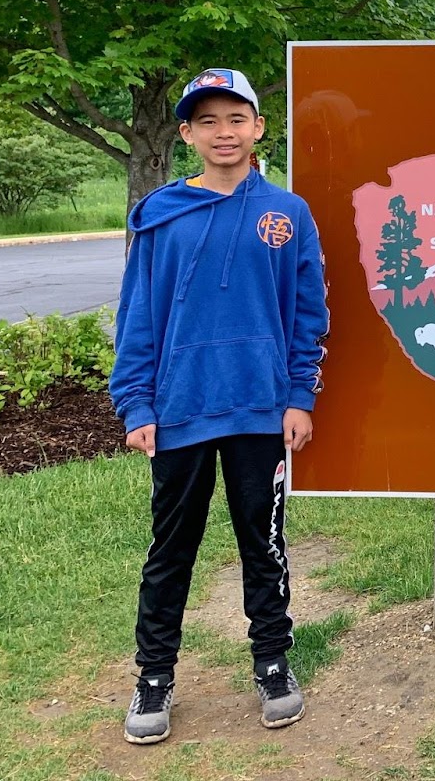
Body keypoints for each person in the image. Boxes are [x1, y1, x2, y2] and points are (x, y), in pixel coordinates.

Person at [109, 68, 329, 745]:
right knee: (170, 548)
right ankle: (153, 675)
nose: (223, 133)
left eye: (236, 118)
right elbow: (137, 315)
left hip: (260, 410)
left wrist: (298, 395)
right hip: (178, 410)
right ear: (186, 134)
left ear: (259, 127)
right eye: (207, 121)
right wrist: (135, 402)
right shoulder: (159, 217)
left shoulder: (286, 215)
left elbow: (307, 312)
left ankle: (272, 661)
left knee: (263, 543)